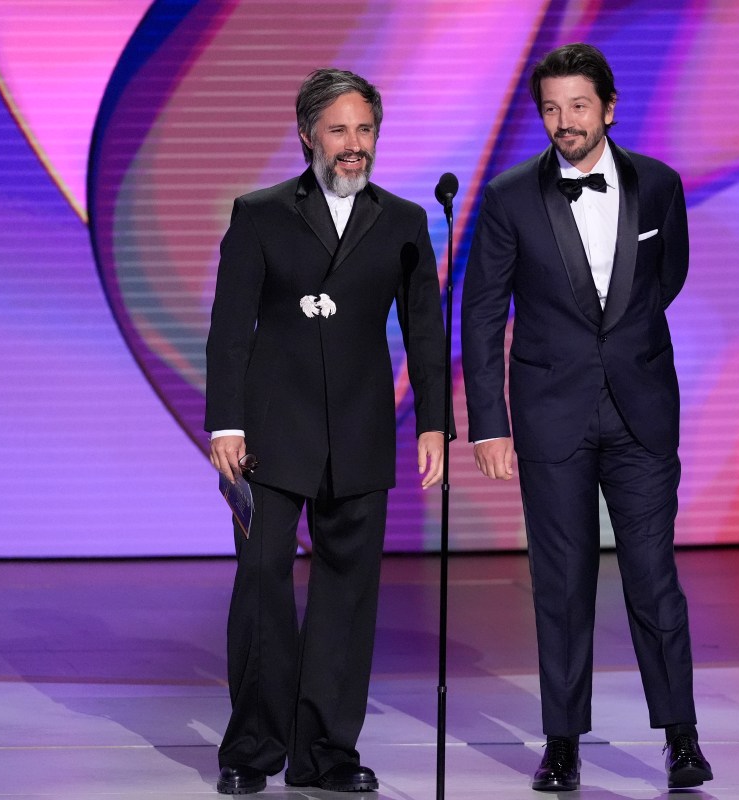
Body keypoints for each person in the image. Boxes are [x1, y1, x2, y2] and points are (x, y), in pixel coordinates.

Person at [461, 43, 713, 791]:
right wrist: (489, 422)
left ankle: (682, 737)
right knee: (562, 582)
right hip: (548, 416)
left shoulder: (659, 185)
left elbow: (667, 279)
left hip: (641, 412)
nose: (563, 122)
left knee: (652, 578)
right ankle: (563, 742)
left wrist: (621, 352)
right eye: (550, 108)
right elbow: (481, 314)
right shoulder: (508, 197)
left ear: (607, 106)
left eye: (577, 106)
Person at [205, 68, 450, 794]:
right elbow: (229, 333)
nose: (354, 145)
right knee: (261, 588)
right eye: (339, 130)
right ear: (309, 133)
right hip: (269, 438)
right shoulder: (261, 214)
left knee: (348, 596)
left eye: (365, 130)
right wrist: (225, 423)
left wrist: (433, 425)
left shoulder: (404, 222)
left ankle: (326, 754)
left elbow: (426, 333)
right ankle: (252, 749)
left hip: (360, 432)